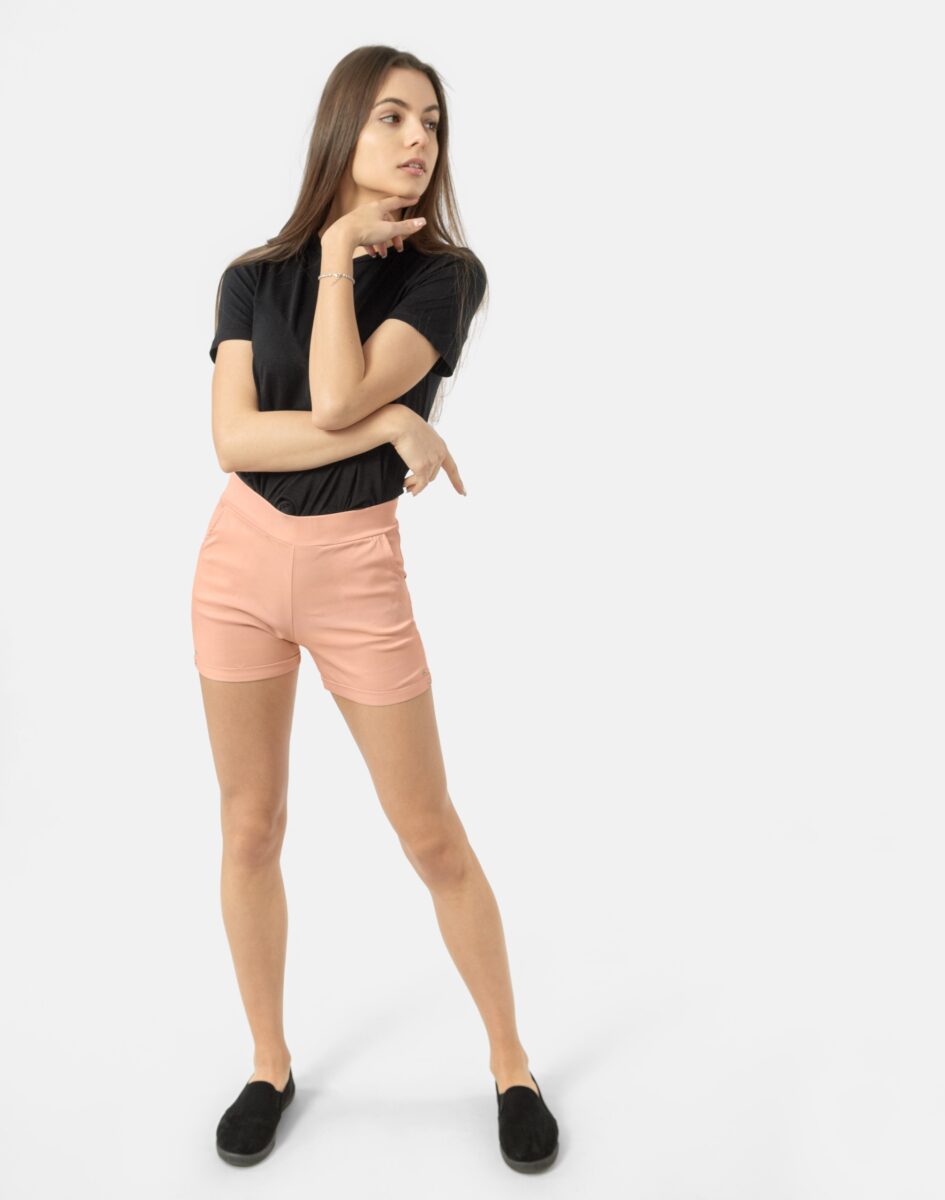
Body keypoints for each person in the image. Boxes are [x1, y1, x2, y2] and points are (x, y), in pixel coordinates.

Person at [192, 46, 560, 1174]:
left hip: (356, 570)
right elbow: (234, 442)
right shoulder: (252, 275)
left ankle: (511, 1064)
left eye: (432, 123)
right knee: (250, 826)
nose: (418, 141)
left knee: (431, 834)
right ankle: (268, 1063)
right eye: (394, 117)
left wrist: (352, 283)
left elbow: (336, 392)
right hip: (238, 567)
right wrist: (400, 424)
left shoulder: (446, 277)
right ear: (342, 128)